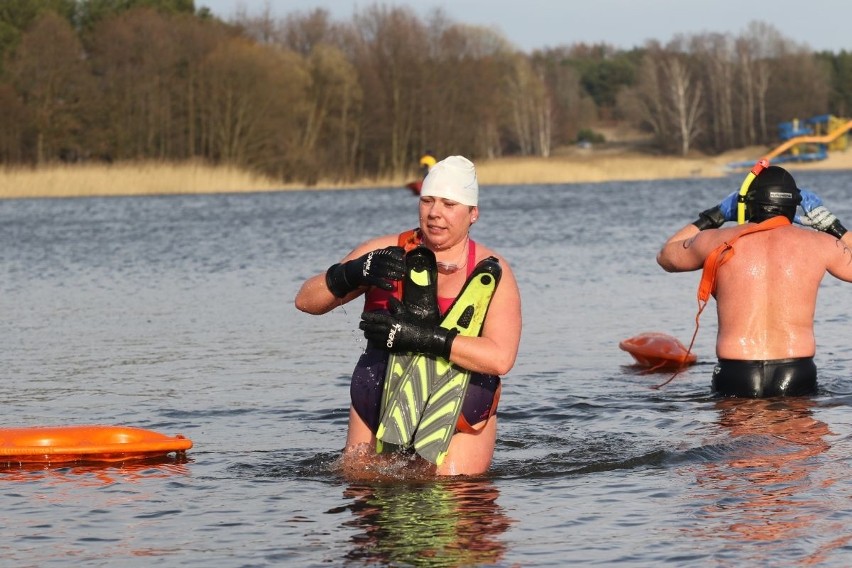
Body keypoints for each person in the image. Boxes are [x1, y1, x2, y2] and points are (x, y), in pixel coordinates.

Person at [295, 155, 522, 476]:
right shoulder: (384, 253)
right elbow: (306, 301)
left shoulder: (492, 271)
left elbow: (500, 359)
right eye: (428, 200)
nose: (435, 213)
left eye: (449, 203)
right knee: (364, 491)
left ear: (473, 213)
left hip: (460, 404)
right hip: (377, 395)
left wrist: (426, 338)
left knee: (453, 494)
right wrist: (351, 273)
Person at [657, 165, 852, 397]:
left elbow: (666, 256)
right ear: (794, 206)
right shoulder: (820, 244)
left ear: (747, 205)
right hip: (796, 370)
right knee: (798, 432)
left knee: (737, 434)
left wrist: (715, 215)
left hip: (736, 372)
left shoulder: (714, 240)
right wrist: (833, 226)